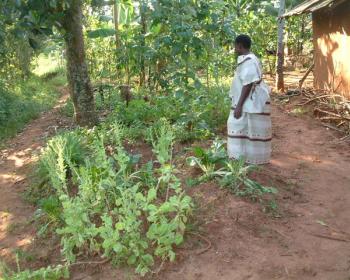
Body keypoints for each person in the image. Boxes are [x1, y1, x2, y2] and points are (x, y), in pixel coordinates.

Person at [227, 34, 272, 164]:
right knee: (246, 128)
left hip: (250, 101)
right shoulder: (249, 59)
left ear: (239, 46)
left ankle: (250, 159)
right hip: (249, 99)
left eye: (235, 46)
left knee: (240, 125)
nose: (234, 49)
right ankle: (245, 158)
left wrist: (239, 106)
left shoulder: (249, 60)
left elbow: (248, 84)